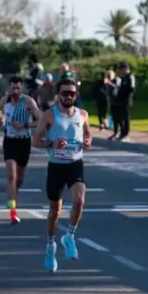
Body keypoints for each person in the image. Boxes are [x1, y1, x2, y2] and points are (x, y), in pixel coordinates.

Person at [32, 77, 93, 272]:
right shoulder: (50, 115)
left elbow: (88, 133)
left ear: (76, 95)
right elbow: (35, 140)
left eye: (72, 94)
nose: (68, 97)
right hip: (56, 166)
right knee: (55, 212)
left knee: (79, 199)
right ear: (58, 95)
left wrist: (88, 141)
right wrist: (52, 143)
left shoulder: (82, 114)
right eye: (65, 93)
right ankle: (50, 246)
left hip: (75, 164)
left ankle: (70, 236)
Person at [0, 76, 42, 224]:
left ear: (22, 88)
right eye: (12, 88)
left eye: (18, 88)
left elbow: (40, 120)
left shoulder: (28, 101)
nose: (15, 90)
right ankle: (13, 212)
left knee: (19, 179)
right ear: (9, 88)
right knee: (11, 176)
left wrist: (24, 126)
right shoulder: (5, 101)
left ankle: (13, 195)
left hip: (24, 142)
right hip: (9, 141)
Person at [111, 62, 136, 141]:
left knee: (126, 117)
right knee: (121, 117)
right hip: (120, 100)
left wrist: (123, 90)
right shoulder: (123, 78)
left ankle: (126, 133)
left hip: (127, 100)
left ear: (125, 69)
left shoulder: (130, 76)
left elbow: (131, 88)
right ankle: (122, 132)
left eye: (121, 69)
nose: (120, 71)